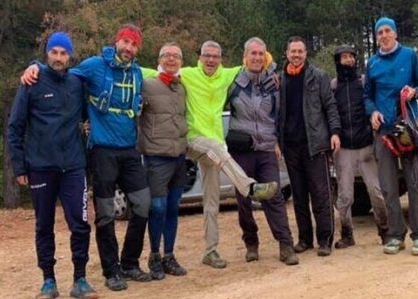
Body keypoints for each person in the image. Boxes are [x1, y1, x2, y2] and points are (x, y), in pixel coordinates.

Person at [22, 24, 153, 290]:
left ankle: (129, 262)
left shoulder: (138, 72)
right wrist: (34, 64)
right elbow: (60, 72)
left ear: (138, 49)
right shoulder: (94, 66)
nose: (128, 48)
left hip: (129, 150)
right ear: (117, 42)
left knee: (143, 204)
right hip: (102, 150)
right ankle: (111, 271)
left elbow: (167, 71)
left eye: (134, 44)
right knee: (105, 213)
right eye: (125, 42)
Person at [142, 41, 278, 270]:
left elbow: (262, 59)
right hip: (193, 140)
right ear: (200, 57)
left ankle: (210, 251)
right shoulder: (187, 74)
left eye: (215, 56)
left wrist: (271, 71)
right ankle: (249, 187)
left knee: (212, 201)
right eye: (207, 56)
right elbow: (152, 71)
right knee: (216, 149)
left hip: (216, 148)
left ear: (221, 58)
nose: (211, 60)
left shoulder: (227, 75)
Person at [8, 32, 98, 299]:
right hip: (40, 166)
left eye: (63, 53)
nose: (59, 58)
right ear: (47, 53)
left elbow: (87, 116)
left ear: (70, 56)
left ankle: (80, 279)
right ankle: (48, 280)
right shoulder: (31, 82)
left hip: (73, 166)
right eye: (54, 52)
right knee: (43, 224)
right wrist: (19, 166)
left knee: (80, 223)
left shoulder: (76, 83)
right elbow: (15, 127)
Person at [227, 37, 298, 265]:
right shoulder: (233, 83)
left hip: (267, 148)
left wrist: (278, 141)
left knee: (273, 196)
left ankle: (285, 245)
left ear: (265, 56)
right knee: (244, 200)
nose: (257, 57)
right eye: (253, 54)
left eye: (261, 54)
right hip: (242, 150)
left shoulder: (273, 84)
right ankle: (251, 243)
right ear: (245, 57)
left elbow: (279, 116)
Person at [364, 17, 418, 256]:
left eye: (387, 30)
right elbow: (367, 95)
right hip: (384, 132)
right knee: (389, 187)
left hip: (409, 128)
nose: (383, 35)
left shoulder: (410, 55)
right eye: (379, 32)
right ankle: (395, 235)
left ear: (395, 33)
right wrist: (372, 112)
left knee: (415, 183)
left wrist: (414, 91)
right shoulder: (371, 63)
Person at [279, 36, 341, 257]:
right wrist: (279, 142)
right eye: (292, 51)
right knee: (299, 196)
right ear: (286, 53)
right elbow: (278, 114)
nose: (296, 55)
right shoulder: (281, 80)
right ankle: (305, 239)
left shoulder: (318, 76)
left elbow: (330, 106)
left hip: (315, 144)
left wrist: (334, 132)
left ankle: (325, 240)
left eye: (300, 51)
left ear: (306, 54)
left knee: (321, 195)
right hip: (291, 147)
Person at [139, 42, 189, 280]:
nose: (172, 59)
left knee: (172, 207)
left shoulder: (182, 88)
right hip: (156, 157)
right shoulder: (147, 85)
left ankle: (169, 255)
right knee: (157, 207)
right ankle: (154, 255)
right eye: (167, 55)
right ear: (159, 59)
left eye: (176, 56)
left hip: (179, 156)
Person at [331, 45, 389, 249]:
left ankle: (385, 231)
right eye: (343, 57)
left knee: (376, 191)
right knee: (344, 196)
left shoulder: (364, 83)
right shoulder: (333, 86)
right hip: (343, 148)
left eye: (350, 56)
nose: (347, 60)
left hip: (366, 145)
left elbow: (375, 103)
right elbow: (330, 114)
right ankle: (347, 234)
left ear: (355, 59)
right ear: (337, 61)